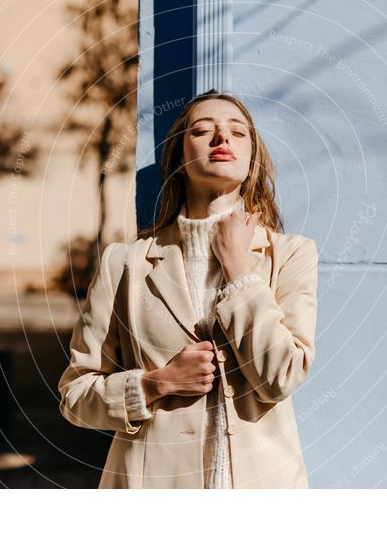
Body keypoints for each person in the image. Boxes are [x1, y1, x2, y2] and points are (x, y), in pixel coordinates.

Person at [57, 89, 319, 489]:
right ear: (180, 157)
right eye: (202, 130)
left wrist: (238, 269)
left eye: (238, 132)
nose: (222, 139)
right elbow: (75, 397)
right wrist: (155, 383)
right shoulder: (124, 263)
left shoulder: (290, 255)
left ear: (253, 161)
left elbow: (280, 375)